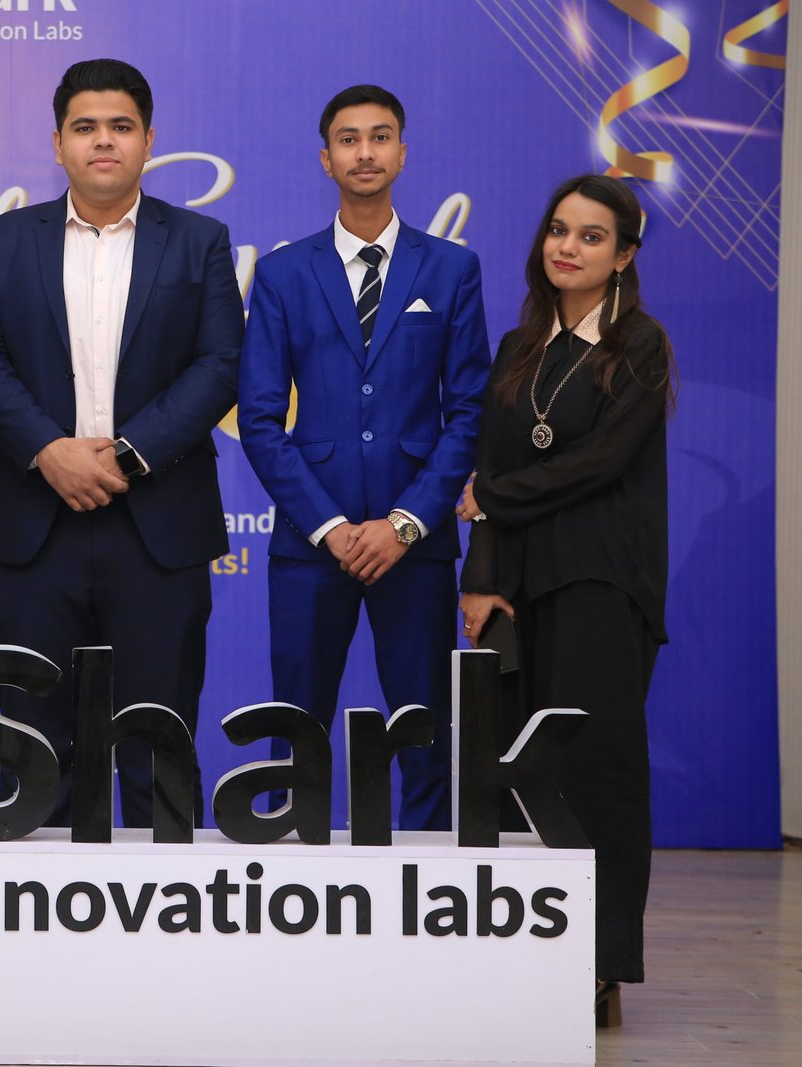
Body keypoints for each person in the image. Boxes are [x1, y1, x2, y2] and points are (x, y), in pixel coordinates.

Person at [0, 58, 245, 827]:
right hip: (36, 521)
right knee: (37, 755)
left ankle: (170, 905)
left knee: (157, 747)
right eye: (85, 127)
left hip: (157, 524)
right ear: (57, 143)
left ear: (149, 140)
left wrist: (125, 453)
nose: (104, 141)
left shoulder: (199, 240)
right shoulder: (5, 239)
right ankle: (36, 907)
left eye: (121, 126)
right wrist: (49, 450)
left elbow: (221, 362)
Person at [237, 84, 489, 831]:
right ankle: (290, 865)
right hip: (313, 542)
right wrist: (331, 527)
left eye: (380, 137)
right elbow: (259, 419)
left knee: (425, 725)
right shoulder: (284, 273)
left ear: (402, 153)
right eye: (348, 139)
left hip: (415, 542)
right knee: (297, 724)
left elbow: (468, 410)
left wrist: (406, 522)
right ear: (326, 159)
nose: (365, 152)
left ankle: (427, 874)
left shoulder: (451, 268)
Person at [457, 174, 673, 1025]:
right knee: (518, 771)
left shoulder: (640, 343)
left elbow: (600, 462)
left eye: (590, 236)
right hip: (519, 588)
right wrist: (482, 577)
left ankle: (600, 963)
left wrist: (493, 498)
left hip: (601, 583)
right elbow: (489, 462)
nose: (567, 247)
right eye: (558, 230)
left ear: (623, 256)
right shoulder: (520, 347)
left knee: (597, 772)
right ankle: (525, 956)